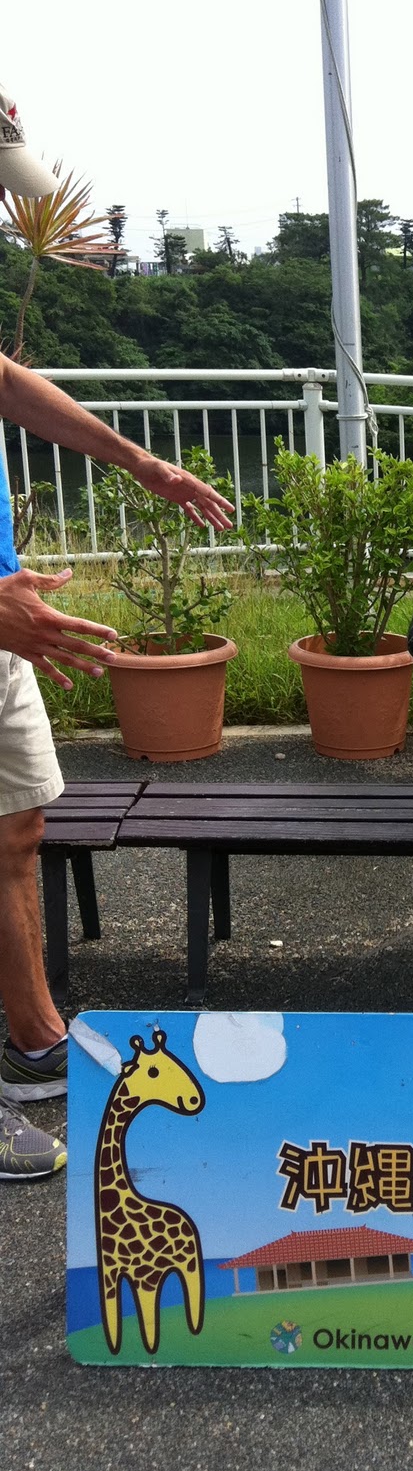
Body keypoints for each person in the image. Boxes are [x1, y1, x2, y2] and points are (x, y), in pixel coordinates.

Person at [0, 84, 234, 1178]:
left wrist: (139, 462)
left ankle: (33, 1038)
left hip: (9, 619)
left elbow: (4, 382)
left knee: (17, 829)